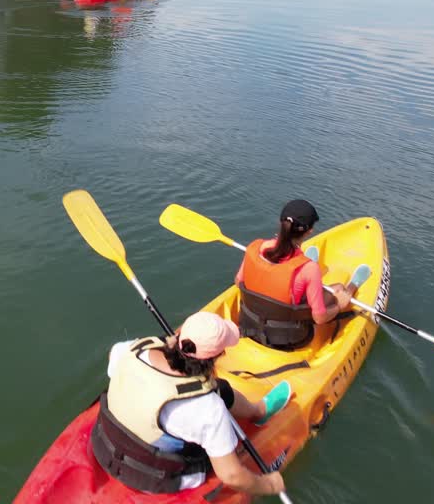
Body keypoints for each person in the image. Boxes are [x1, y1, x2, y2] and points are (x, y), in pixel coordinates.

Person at [91, 311, 291, 496]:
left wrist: (162, 345)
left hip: (105, 444)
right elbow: (231, 476)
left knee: (219, 389)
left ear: (178, 336)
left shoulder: (132, 349)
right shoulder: (208, 409)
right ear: (217, 357)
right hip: (154, 477)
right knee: (220, 396)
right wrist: (270, 485)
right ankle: (255, 416)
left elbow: (113, 355)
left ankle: (256, 411)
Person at [234, 200, 371, 351]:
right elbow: (319, 318)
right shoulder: (309, 269)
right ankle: (351, 288)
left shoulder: (255, 247)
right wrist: (340, 305)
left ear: (281, 222)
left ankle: (305, 272)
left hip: (249, 325)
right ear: (309, 232)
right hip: (287, 339)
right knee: (338, 288)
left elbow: (238, 281)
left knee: (298, 286)